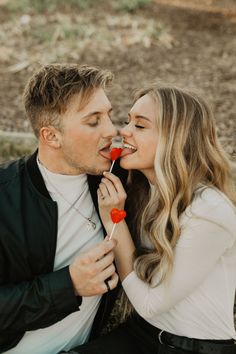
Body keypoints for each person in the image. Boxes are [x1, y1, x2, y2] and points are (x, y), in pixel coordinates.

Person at [71, 84, 236, 354]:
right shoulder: (144, 193)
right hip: (143, 333)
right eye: (128, 121)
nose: (123, 131)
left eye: (140, 125)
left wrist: (114, 218)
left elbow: (150, 303)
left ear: (176, 138)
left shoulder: (210, 211)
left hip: (194, 347)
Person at [0, 64, 127, 354]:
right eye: (93, 121)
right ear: (52, 137)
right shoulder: (4, 197)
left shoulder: (118, 178)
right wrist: (68, 285)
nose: (112, 130)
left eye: (108, 115)